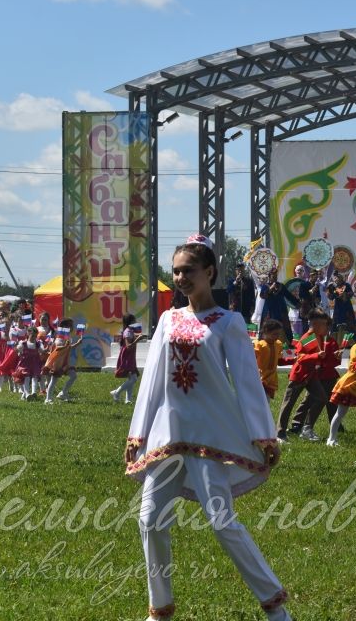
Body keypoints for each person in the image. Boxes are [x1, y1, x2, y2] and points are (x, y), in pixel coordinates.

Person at [124, 234, 291, 621]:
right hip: (168, 435)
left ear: (209, 272)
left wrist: (263, 433)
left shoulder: (229, 322)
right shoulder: (167, 319)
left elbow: (247, 383)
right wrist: (138, 433)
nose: (181, 277)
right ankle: (159, 609)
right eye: (176, 270)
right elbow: (152, 381)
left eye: (189, 270)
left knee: (221, 521)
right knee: (149, 519)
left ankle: (275, 605)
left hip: (209, 436)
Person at [275, 309, 334, 443]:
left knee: (322, 398)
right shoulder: (308, 338)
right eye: (324, 324)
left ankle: (307, 429)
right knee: (288, 403)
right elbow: (300, 358)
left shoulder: (319, 337)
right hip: (300, 375)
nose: (326, 327)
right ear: (316, 325)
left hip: (311, 375)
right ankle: (280, 433)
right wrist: (316, 356)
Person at [42, 318, 82, 403]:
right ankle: (48, 399)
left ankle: (63, 393)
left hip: (65, 363)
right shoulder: (60, 337)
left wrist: (77, 344)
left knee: (73, 376)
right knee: (53, 381)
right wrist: (65, 345)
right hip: (58, 363)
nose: (73, 328)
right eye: (71, 326)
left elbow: (68, 348)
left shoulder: (68, 337)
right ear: (65, 327)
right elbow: (57, 348)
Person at [254, 319, 294, 400]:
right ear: (265, 332)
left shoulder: (278, 344)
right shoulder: (259, 345)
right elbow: (250, 360)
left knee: (266, 403)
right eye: (274, 334)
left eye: (278, 334)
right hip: (259, 379)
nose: (277, 336)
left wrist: (293, 360)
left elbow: (279, 361)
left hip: (271, 380)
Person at [111, 314, 145, 405]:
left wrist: (139, 336)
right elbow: (128, 346)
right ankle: (117, 392)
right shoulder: (127, 332)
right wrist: (138, 339)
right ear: (130, 322)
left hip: (130, 357)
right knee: (133, 379)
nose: (135, 322)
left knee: (132, 378)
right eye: (134, 321)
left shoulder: (130, 331)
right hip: (127, 357)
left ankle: (128, 399)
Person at [260, 269, 299, 343]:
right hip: (269, 310)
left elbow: (289, 296)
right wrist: (270, 288)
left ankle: (286, 343)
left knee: (284, 326)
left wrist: (297, 303)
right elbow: (262, 296)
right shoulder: (265, 286)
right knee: (268, 326)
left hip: (281, 310)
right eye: (273, 276)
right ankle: (265, 342)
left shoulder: (281, 286)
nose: (274, 277)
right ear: (269, 276)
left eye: (275, 276)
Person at [15, 327, 44, 400]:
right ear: (28, 334)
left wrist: (46, 349)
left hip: (35, 364)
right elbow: (18, 350)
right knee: (26, 378)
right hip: (25, 364)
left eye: (35, 336)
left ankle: (34, 392)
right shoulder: (23, 343)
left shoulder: (38, 344)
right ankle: (27, 394)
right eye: (32, 335)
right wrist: (17, 349)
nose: (34, 337)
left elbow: (42, 351)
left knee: (35, 378)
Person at [327, 271, 356, 337]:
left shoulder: (347, 285)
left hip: (347, 307)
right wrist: (332, 293)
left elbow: (351, 294)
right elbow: (330, 297)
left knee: (348, 323)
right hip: (338, 307)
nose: (336, 279)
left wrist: (344, 294)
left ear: (341, 278)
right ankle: (336, 340)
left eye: (338, 278)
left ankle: (349, 341)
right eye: (335, 278)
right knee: (337, 322)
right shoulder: (333, 286)